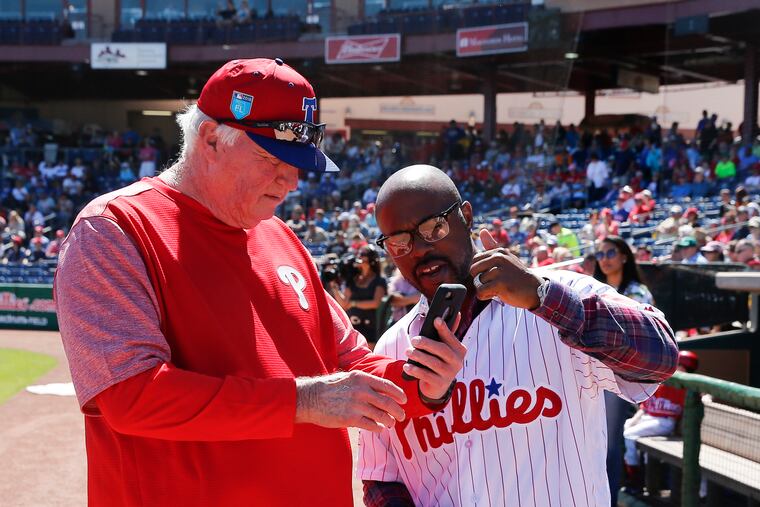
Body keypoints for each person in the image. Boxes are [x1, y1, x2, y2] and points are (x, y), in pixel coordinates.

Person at [55, 59, 465, 506]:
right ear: (211, 139)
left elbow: (351, 363)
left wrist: (422, 383)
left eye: (298, 163)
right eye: (273, 159)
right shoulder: (115, 228)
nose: (291, 180)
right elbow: (132, 396)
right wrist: (302, 401)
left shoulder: (279, 235)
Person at [358, 165, 679, 507]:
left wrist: (544, 298)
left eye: (433, 227)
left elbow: (659, 357)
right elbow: (381, 475)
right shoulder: (392, 346)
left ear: (466, 216)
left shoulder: (564, 293)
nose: (419, 249)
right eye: (400, 242)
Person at [592, 235, 655, 506]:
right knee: (591, 440)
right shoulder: (592, 287)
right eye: (600, 254)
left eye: (610, 253)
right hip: (588, 372)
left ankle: (611, 500)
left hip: (618, 374)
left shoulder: (637, 292)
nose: (604, 259)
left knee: (609, 443)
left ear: (624, 256)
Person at [622, 351, 699, 492]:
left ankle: (635, 478)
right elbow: (645, 407)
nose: (678, 368)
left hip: (664, 422)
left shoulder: (687, 385)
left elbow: (704, 394)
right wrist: (634, 419)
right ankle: (634, 474)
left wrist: (707, 398)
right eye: (677, 365)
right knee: (625, 428)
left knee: (629, 435)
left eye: (682, 366)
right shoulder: (663, 379)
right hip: (650, 418)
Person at [329, 245, 388, 343]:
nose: (359, 257)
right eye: (359, 254)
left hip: (370, 327)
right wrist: (335, 288)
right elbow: (344, 304)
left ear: (372, 260)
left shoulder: (379, 281)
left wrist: (353, 304)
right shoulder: (353, 279)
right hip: (353, 327)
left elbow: (375, 303)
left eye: (363, 255)